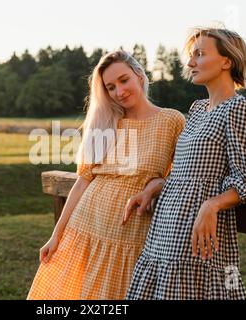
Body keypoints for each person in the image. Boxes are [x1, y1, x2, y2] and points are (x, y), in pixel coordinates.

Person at [27, 50, 186, 299]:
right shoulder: (106, 122)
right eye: (110, 87)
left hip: (132, 232)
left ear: (139, 76)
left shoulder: (171, 121)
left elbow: (183, 175)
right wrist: (55, 236)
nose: (119, 92)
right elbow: (83, 181)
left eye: (124, 80)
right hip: (87, 225)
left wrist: (156, 185)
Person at [125, 27, 246, 300]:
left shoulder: (240, 109)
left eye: (200, 54)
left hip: (196, 230)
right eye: (191, 56)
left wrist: (212, 204)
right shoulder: (198, 108)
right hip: (166, 223)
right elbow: (189, 169)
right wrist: (157, 186)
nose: (190, 63)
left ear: (227, 61)